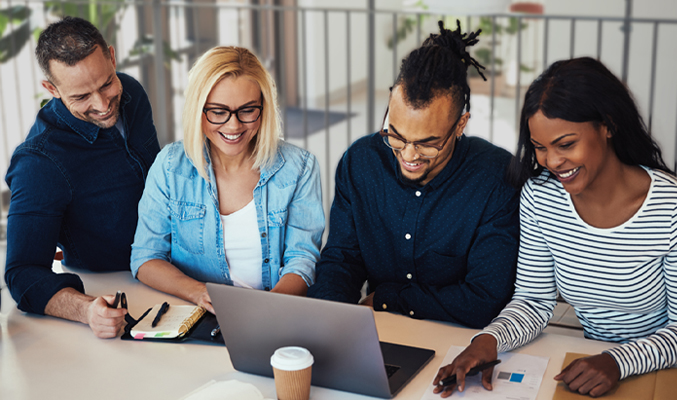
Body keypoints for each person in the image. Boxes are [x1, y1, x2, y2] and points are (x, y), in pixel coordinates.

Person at [433, 57, 677, 398]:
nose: (552, 162)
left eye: (566, 144)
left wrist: (618, 361)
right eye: (540, 148)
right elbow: (533, 300)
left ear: (608, 125)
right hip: (600, 366)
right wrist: (487, 340)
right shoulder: (540, 198)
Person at [307, 21, 519, 329]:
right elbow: (342, 260)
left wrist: (390, 297)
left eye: (428, 143)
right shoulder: (361, 162)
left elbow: (484, 299)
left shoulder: (496, 179)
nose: (408, 155)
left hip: (461, 340)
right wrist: (325, 324)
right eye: (396, 135)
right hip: (380, 331)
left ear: (461, 125)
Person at [130, 46, 324, 313]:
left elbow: (302, 260)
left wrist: (268, 309)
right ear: (198, 109)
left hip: (273, 314)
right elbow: (146, 258)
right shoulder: (170, 166)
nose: (233, 126)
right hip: (196, 316)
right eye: (218, 112)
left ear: (264, 108)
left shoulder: (299, 168)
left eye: (247, 111)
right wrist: (200, 293)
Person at [4, 17, 160, 338]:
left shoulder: (130, 91)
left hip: (174, 266)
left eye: (105, 84)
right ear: (52, 89)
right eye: (80, 97)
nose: (102, 105)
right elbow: (22, 273)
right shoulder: (39, 162)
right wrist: (86, 309)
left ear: (112, 58)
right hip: (121, 285)